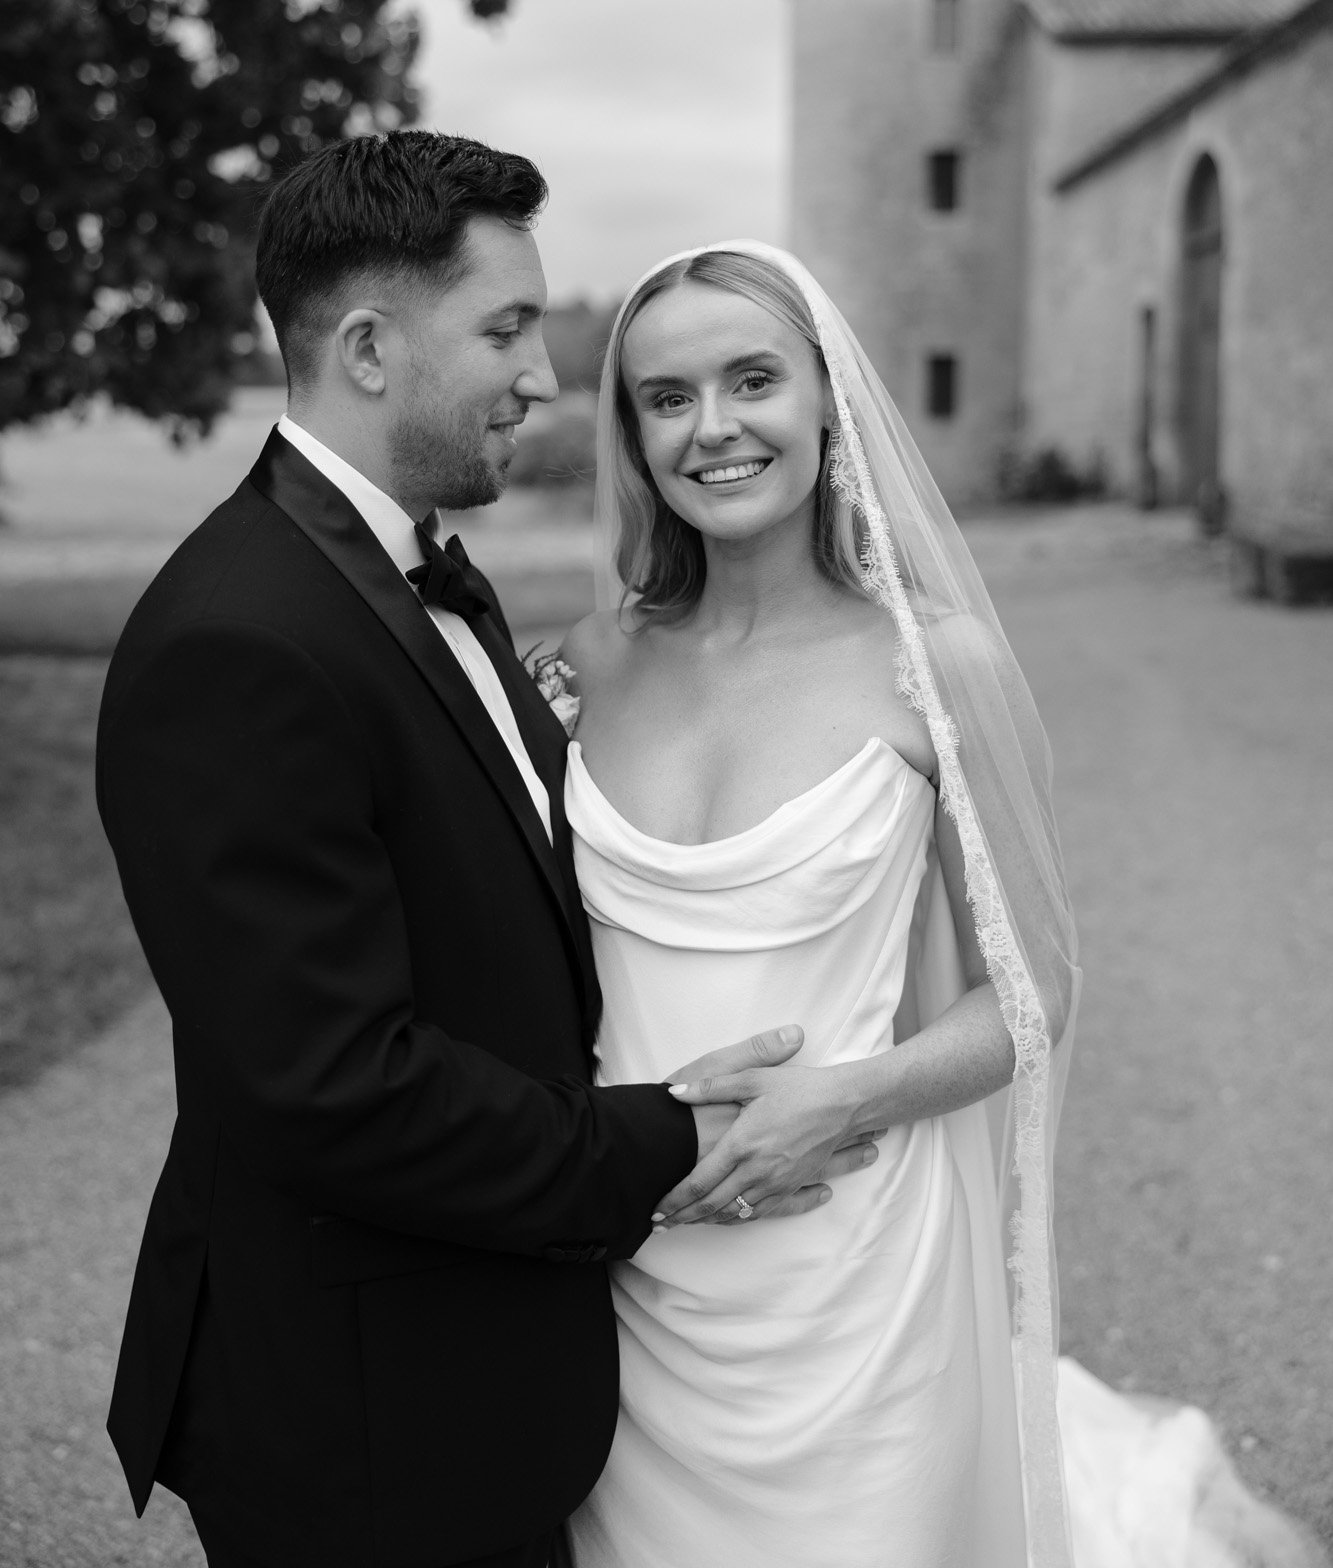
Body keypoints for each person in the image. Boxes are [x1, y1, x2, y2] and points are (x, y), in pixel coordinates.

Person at [96, 141, 870, 1568]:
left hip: (486, 1354)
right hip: (366, 1407)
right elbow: (336, 1087)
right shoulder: (237, 638)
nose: (545, 378)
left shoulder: (404, 574)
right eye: (506, 330)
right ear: (372, 348)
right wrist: (673, 1138)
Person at [560, 243, 1082, 1568]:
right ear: (630, 433)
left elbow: (1032, 993)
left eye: (752, 380)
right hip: (623, 1272)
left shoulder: (931, 666)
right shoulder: (586, 660)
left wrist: (840, 1101)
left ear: (827, 401)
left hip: (849, 1286)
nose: (714, 428)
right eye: (665, 397)